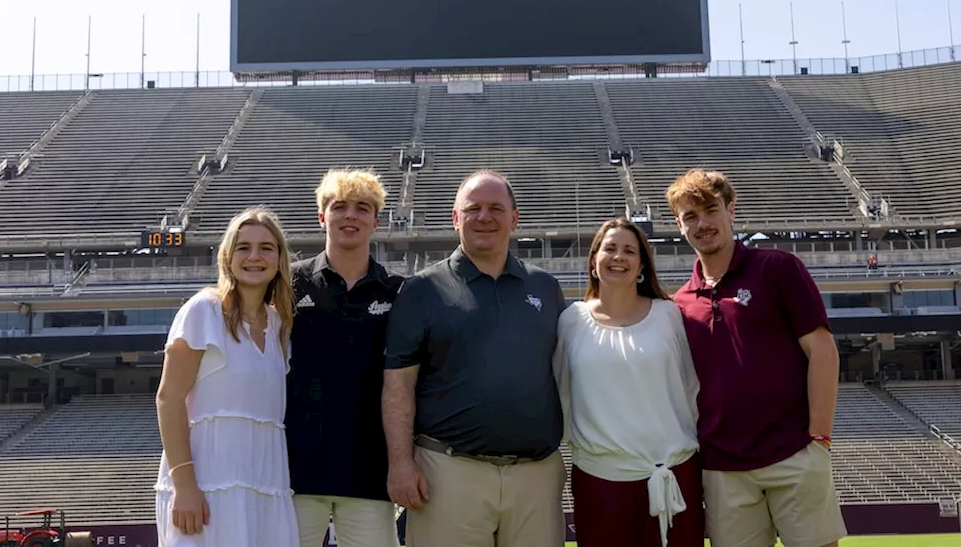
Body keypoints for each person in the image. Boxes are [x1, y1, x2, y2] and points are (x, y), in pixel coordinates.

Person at [382, 170, 567, 547]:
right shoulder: (422, 289)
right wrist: (400, 463)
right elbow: (399, 385)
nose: (485, 217)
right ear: (455, 217)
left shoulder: (546, 288)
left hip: (535, 474)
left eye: (496, 208)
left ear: (514, 218)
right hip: (450, 472)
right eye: (474, 208)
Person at [666, 170, 847, 547]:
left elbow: (822, 351)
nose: (702, 224)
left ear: (731, 210)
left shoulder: (778, 268)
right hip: (722, 469)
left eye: (711, 210)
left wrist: (819, 438)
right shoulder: (679, 304)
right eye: (690, 216)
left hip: (793, 451)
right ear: (678, 225)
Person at [554, 218, 704, 547]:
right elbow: (562, 396)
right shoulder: (571, 321)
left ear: (641, 265)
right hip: (599, 483)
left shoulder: (669, 315)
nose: (618, 256)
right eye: (609, 248)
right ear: (594, 261)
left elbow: (691, 389)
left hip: (674, 474)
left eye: (629, 250)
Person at [154, 207, 299, 547]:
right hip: (206, 488)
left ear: (279, 258)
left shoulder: (280, 325)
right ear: (227, 256)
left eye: (266, 247)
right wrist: (185, 486)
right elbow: (168, 399)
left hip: (265, 484)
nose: (254, 256)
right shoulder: (203, 310)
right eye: (243, 247)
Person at [287, 169, 404, 547]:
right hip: (294, 473)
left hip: (369, 473)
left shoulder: (399, 291)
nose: (350, 215)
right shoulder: (286, 283)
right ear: (322, 217)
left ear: (376, 220)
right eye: (340, 207)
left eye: (362, 208)